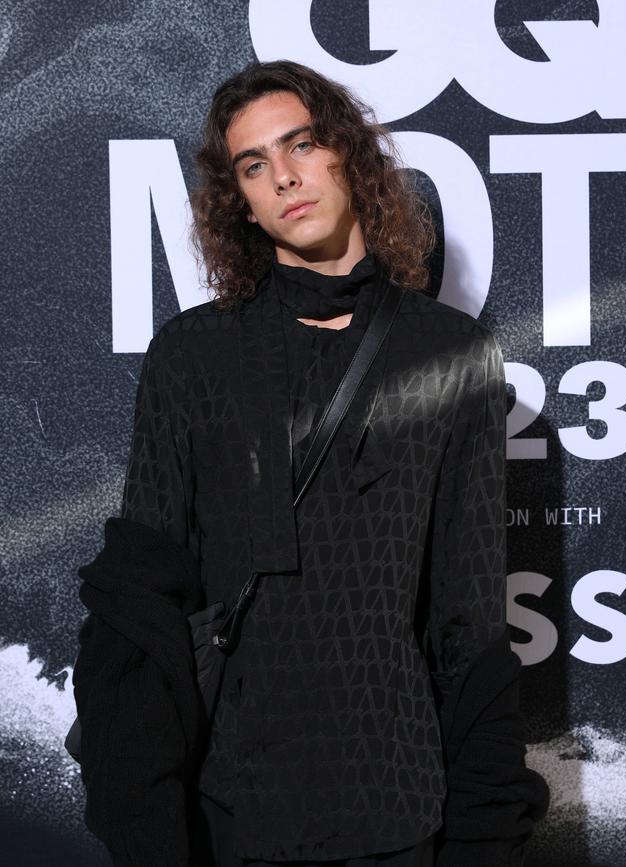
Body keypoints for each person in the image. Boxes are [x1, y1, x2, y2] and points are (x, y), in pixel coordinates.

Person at [74, 59, 549, 867]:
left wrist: (481, 840)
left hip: (396, 806)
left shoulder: (452, 353)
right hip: (230, 809)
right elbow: (139, 610)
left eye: (301, 144)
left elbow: (469, 627)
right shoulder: (194, 356)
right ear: (243, 204)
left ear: (347, 156)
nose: (284, 176)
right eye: (254, 166)